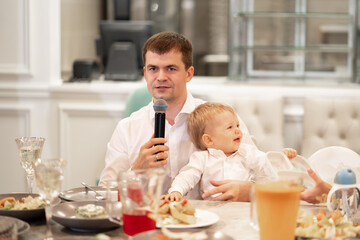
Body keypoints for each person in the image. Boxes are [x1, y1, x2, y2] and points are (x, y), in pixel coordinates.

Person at [98, 32, 256, 199]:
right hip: (147, 221)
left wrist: (246, 191)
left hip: (208, 220)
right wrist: (136, 170)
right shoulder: (127, 128)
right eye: (153, 69)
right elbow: (104, 195)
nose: (160, 77)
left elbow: (261, 176)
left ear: (189, 74)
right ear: (145, 74)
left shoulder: (223, 120)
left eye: (170, 69)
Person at [163, 102, 298, 201]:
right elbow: (187, 175)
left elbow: (266, 165)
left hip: (245, 208)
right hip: (212, 210)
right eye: (229, 127)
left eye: (237, 125)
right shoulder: (202, 158)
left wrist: (281, 159)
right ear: (209, 140)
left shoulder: (246, 152)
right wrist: (176, 191)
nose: (238, 130)